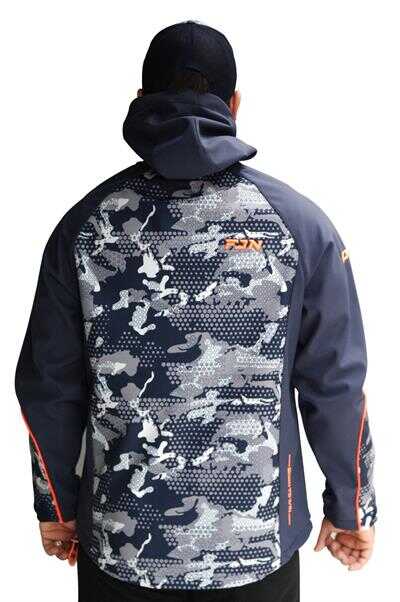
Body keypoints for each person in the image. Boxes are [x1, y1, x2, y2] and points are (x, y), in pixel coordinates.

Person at [15, 20, 377, 602]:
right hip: (256, 551)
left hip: (121, 550)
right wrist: (352, 506)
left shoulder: (84, 228)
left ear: (140, 100)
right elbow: (335, 382)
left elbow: (48, 386)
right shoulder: (299, 227)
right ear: (234, 106)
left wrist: (54, 505)